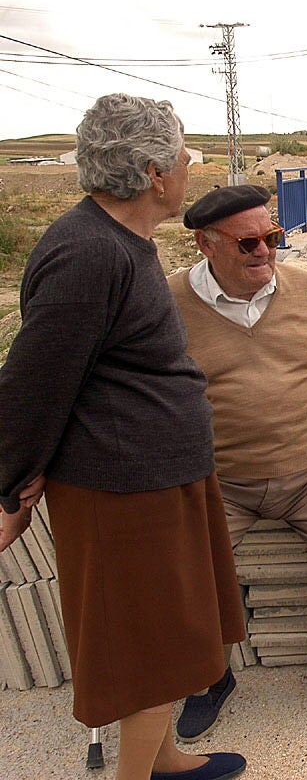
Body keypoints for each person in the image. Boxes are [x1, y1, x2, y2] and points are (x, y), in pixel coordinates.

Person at [0, 93, 246, 780]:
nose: (191, 169)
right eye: (185, 157)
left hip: (156, 474)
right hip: (123, 487)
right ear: (153, 171)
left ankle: (162, 759)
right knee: (152, 652)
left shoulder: (119, 242)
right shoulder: (86, 253)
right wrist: (13, 488)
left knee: (175, 639)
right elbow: (35, 380)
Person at [167, 185, 307, 742]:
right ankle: (208, 678)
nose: (264, 251)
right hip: (221, 482)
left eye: (273, 237)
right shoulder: (167, 306)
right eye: (248, 243)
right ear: (205, 244)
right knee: (184, 566)